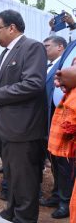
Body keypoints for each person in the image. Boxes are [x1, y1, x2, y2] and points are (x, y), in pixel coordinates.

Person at [0, 9, 47, 222]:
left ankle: (25, 218)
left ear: (12, 27)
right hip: (7, 128)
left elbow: (33, 84)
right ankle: (12, 212)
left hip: (24, 129)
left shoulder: (32, 47)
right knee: (12, 176)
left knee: (25, 180)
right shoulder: (5, 52)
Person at [40, 36, 73, 219]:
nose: (44, 49)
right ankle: (57, 194)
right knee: (54, 160)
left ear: (61, 47)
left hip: (66, 119)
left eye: (47, 46)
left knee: (64, 163)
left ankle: (65, 202)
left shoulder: (66, 66)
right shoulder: (51, 65)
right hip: (51, 118)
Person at [49, 61, 76, 223]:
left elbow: (68, 75)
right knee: (59, 166)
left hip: (70, 135)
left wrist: (66, 76)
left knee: (67, 169)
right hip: (62, 130)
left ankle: (64, 201)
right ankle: (60, 197)